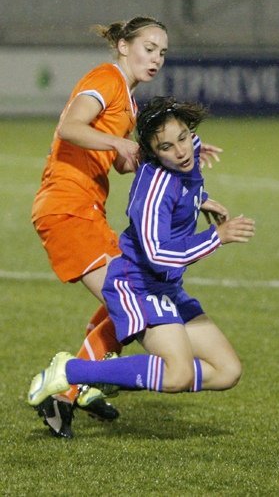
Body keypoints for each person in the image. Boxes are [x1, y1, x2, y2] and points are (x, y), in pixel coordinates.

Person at [31, 16, 222, 438]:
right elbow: (70, 127)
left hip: (85, 210)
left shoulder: (130, 103)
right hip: (67, 209)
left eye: (163, 52)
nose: (156, 58)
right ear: (123, 46)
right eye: (149, 48)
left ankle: (73, 385)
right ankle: (69, 382)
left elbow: (123, 163)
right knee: (133, 292)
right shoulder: (107, 78)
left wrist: (180, 152)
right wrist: (118, 141)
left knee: (130, 290)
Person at [28, 97, 256, 432]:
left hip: (166, 287)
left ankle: (116, 374)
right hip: (137, 284)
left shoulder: (185, 150)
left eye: (183, 138)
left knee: (227, 371)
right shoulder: (153, 190)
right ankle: (70, 372)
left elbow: (184, 151)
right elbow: (157, 253)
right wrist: (215, 237)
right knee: (177, 373)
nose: (180, 151)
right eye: (167, 147)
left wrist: (197, 199)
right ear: (152, 153)